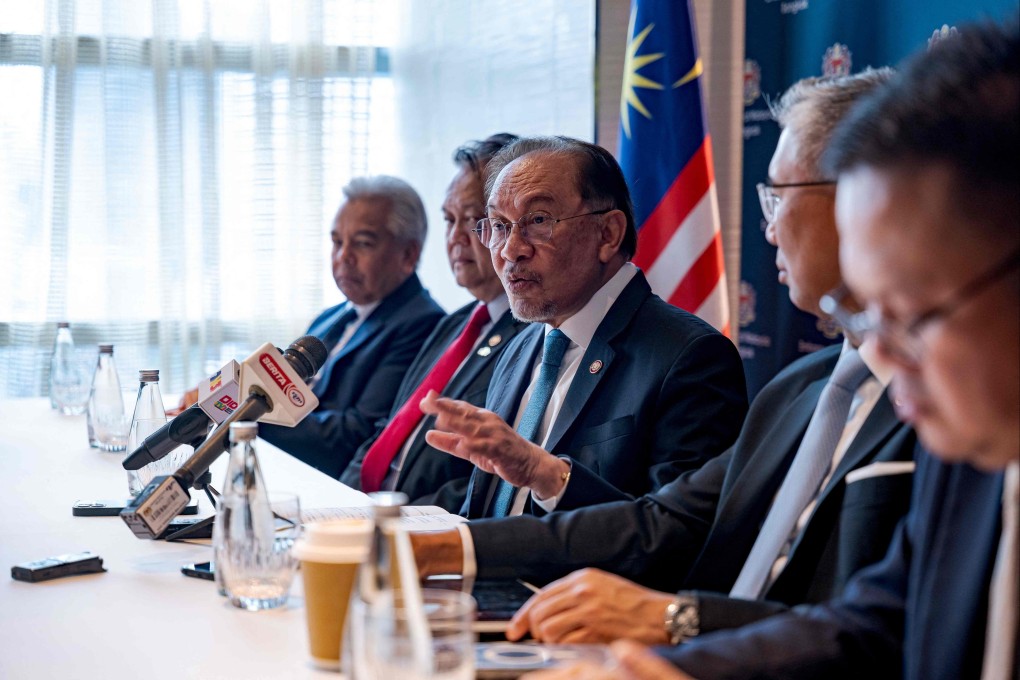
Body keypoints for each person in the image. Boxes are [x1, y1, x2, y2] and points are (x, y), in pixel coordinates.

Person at [568, 19, 1018, 680]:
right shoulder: (975, 454)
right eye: (866, 312)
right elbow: (876, 626)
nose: (884, 360)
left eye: (909, 314)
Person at [412, 69, 919, 645]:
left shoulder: (938, 399)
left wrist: (676, 621)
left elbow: (882, 632)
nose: (768, 228)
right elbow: (665, 518)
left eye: (779, 196)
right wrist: (449, 546)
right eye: (498, 227)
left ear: (871, 202)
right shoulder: (799, 389)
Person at [419, 135, 748, 519]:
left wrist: (547, 475)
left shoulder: (690, 356)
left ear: (608, 234)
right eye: (499, 225)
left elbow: (678, 533)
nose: (510, 250)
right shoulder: (519, 348)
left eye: (538, 221)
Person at [339, 134, 530, 511]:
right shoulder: (456, 323)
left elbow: (490, 481)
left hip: (419, 527)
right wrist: (338, 502)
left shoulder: (533, 334)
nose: (456, 237)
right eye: (449, 220)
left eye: (475, 221)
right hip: (365, 511)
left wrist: (390, 520)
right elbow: (387, 430)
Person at [258, 176, 445, 477]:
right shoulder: (330, 317)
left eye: (362, 243)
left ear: (408, 254)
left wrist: (249, 415)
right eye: (337, 242)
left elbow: (357, 434)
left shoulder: (423, 324)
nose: (343, 257)